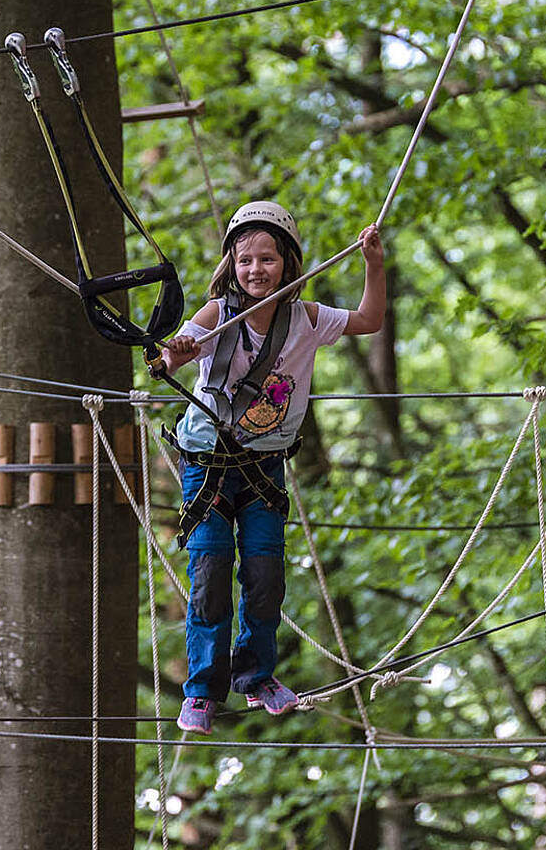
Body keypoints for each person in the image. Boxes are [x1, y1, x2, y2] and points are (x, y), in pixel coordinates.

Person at [159, 201, 386, 734]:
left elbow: (370, 320)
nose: (256, 270)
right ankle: (202, 690)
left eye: (267, 259)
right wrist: (176, 352)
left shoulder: (307, 319)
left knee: (264, 577)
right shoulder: (218, 315)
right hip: (208, 464)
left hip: (263, 468)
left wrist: (374, 264)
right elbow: (171, 359)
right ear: (231, 266)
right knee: (211, 574)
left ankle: (257, 676)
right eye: (245, 261)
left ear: (288, 261)